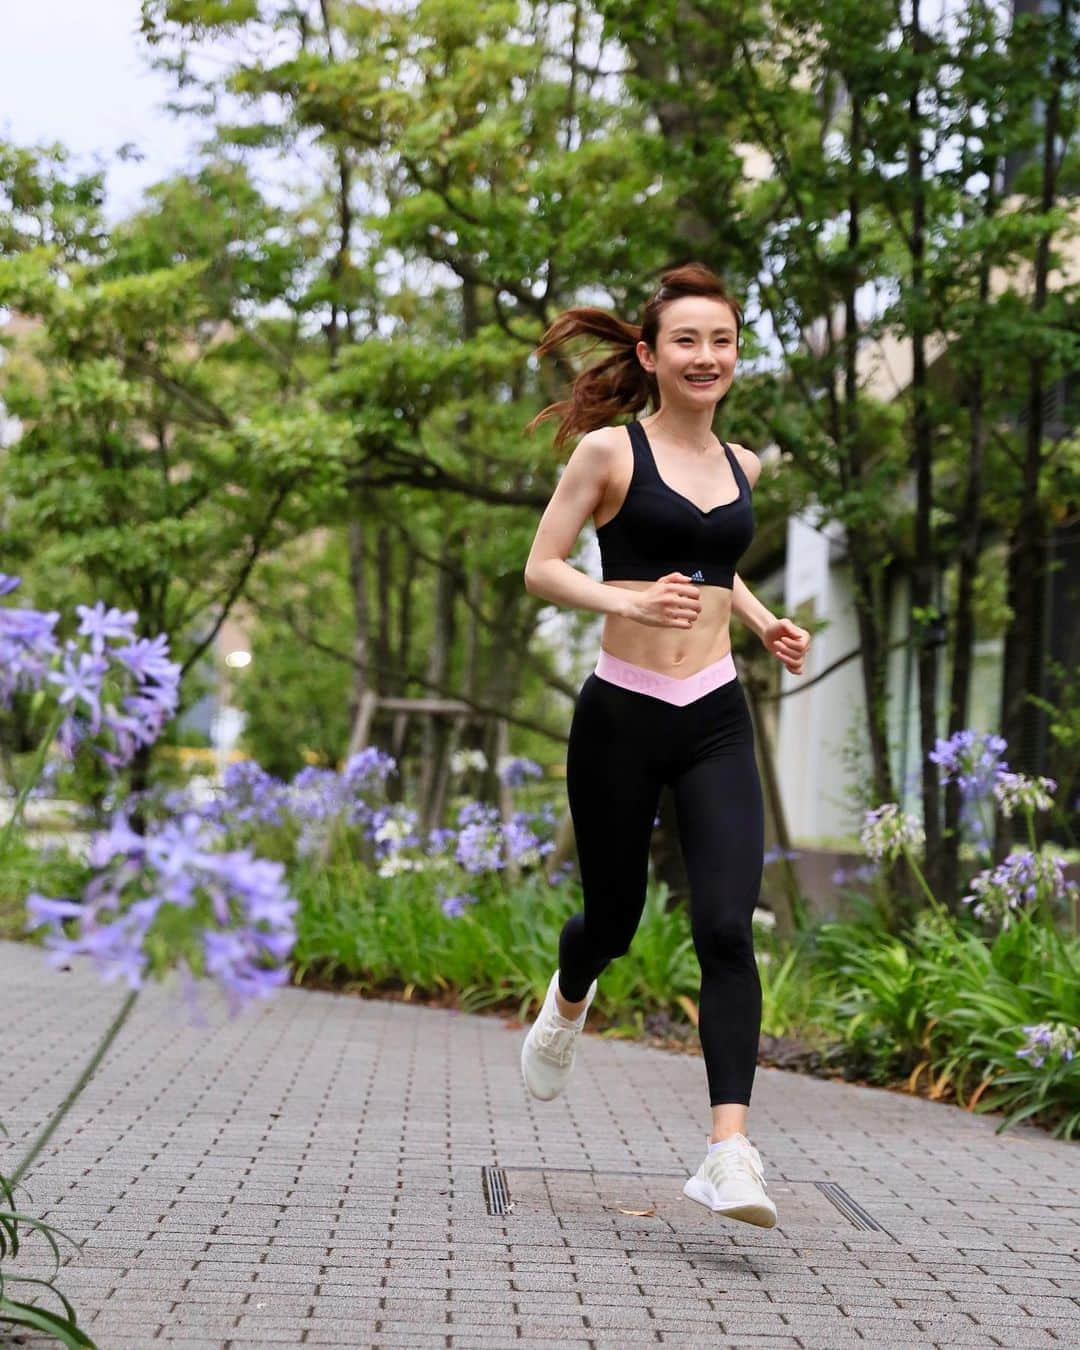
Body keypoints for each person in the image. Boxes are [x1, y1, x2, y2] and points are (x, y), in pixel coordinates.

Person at [518, 262, 811, 1228]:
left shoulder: (743, 466)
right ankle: (569, 998)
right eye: (687, 339)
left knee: (727, 925)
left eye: (721, 340)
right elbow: (543, 569)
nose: (706, 355)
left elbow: (716, 570)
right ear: (649, 354)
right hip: (623, 713)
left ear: (735, 355)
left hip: (715, 712)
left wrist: (761, 621)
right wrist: (628, 598)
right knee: (613, 917)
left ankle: (729, 1153)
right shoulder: (608, 452)